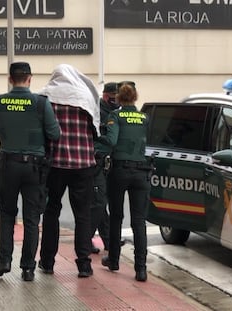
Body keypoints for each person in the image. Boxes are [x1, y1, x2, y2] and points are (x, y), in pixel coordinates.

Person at [0, 62, 61, 282]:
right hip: (34, 168)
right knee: (32, 218)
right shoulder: (41, 103)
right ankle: (28, 268)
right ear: (30, 78)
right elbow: (55, 133)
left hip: (7, 165)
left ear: (10, 79)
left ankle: (4, 260)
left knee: (6, 213)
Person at [38, 64, 100, 278]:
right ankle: (84, 264)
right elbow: (96, 129)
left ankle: (47, 261)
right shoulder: (85, 97)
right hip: (83, 165)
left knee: (51, 212)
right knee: (82, 215)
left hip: (55, 164)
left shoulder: (46, 97)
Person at [98, 81, 151, 282]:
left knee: (116, 217)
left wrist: (98, 139)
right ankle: (141, 269)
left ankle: (113, 260)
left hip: (119, 171)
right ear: (135, 97)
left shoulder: (116, 116)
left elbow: (111, 141)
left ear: (118, 98)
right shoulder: (145, 118)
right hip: (142, 172)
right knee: (139, 221)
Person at [90, 82, 119, 254]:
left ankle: (108, 240)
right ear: (106, 96)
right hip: (98, 161)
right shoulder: (97, 111)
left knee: (103, 202)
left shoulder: (117, 112)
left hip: (113, 162)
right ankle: (87, 238)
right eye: (113, 97)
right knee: (97, 202)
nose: (116, 101)